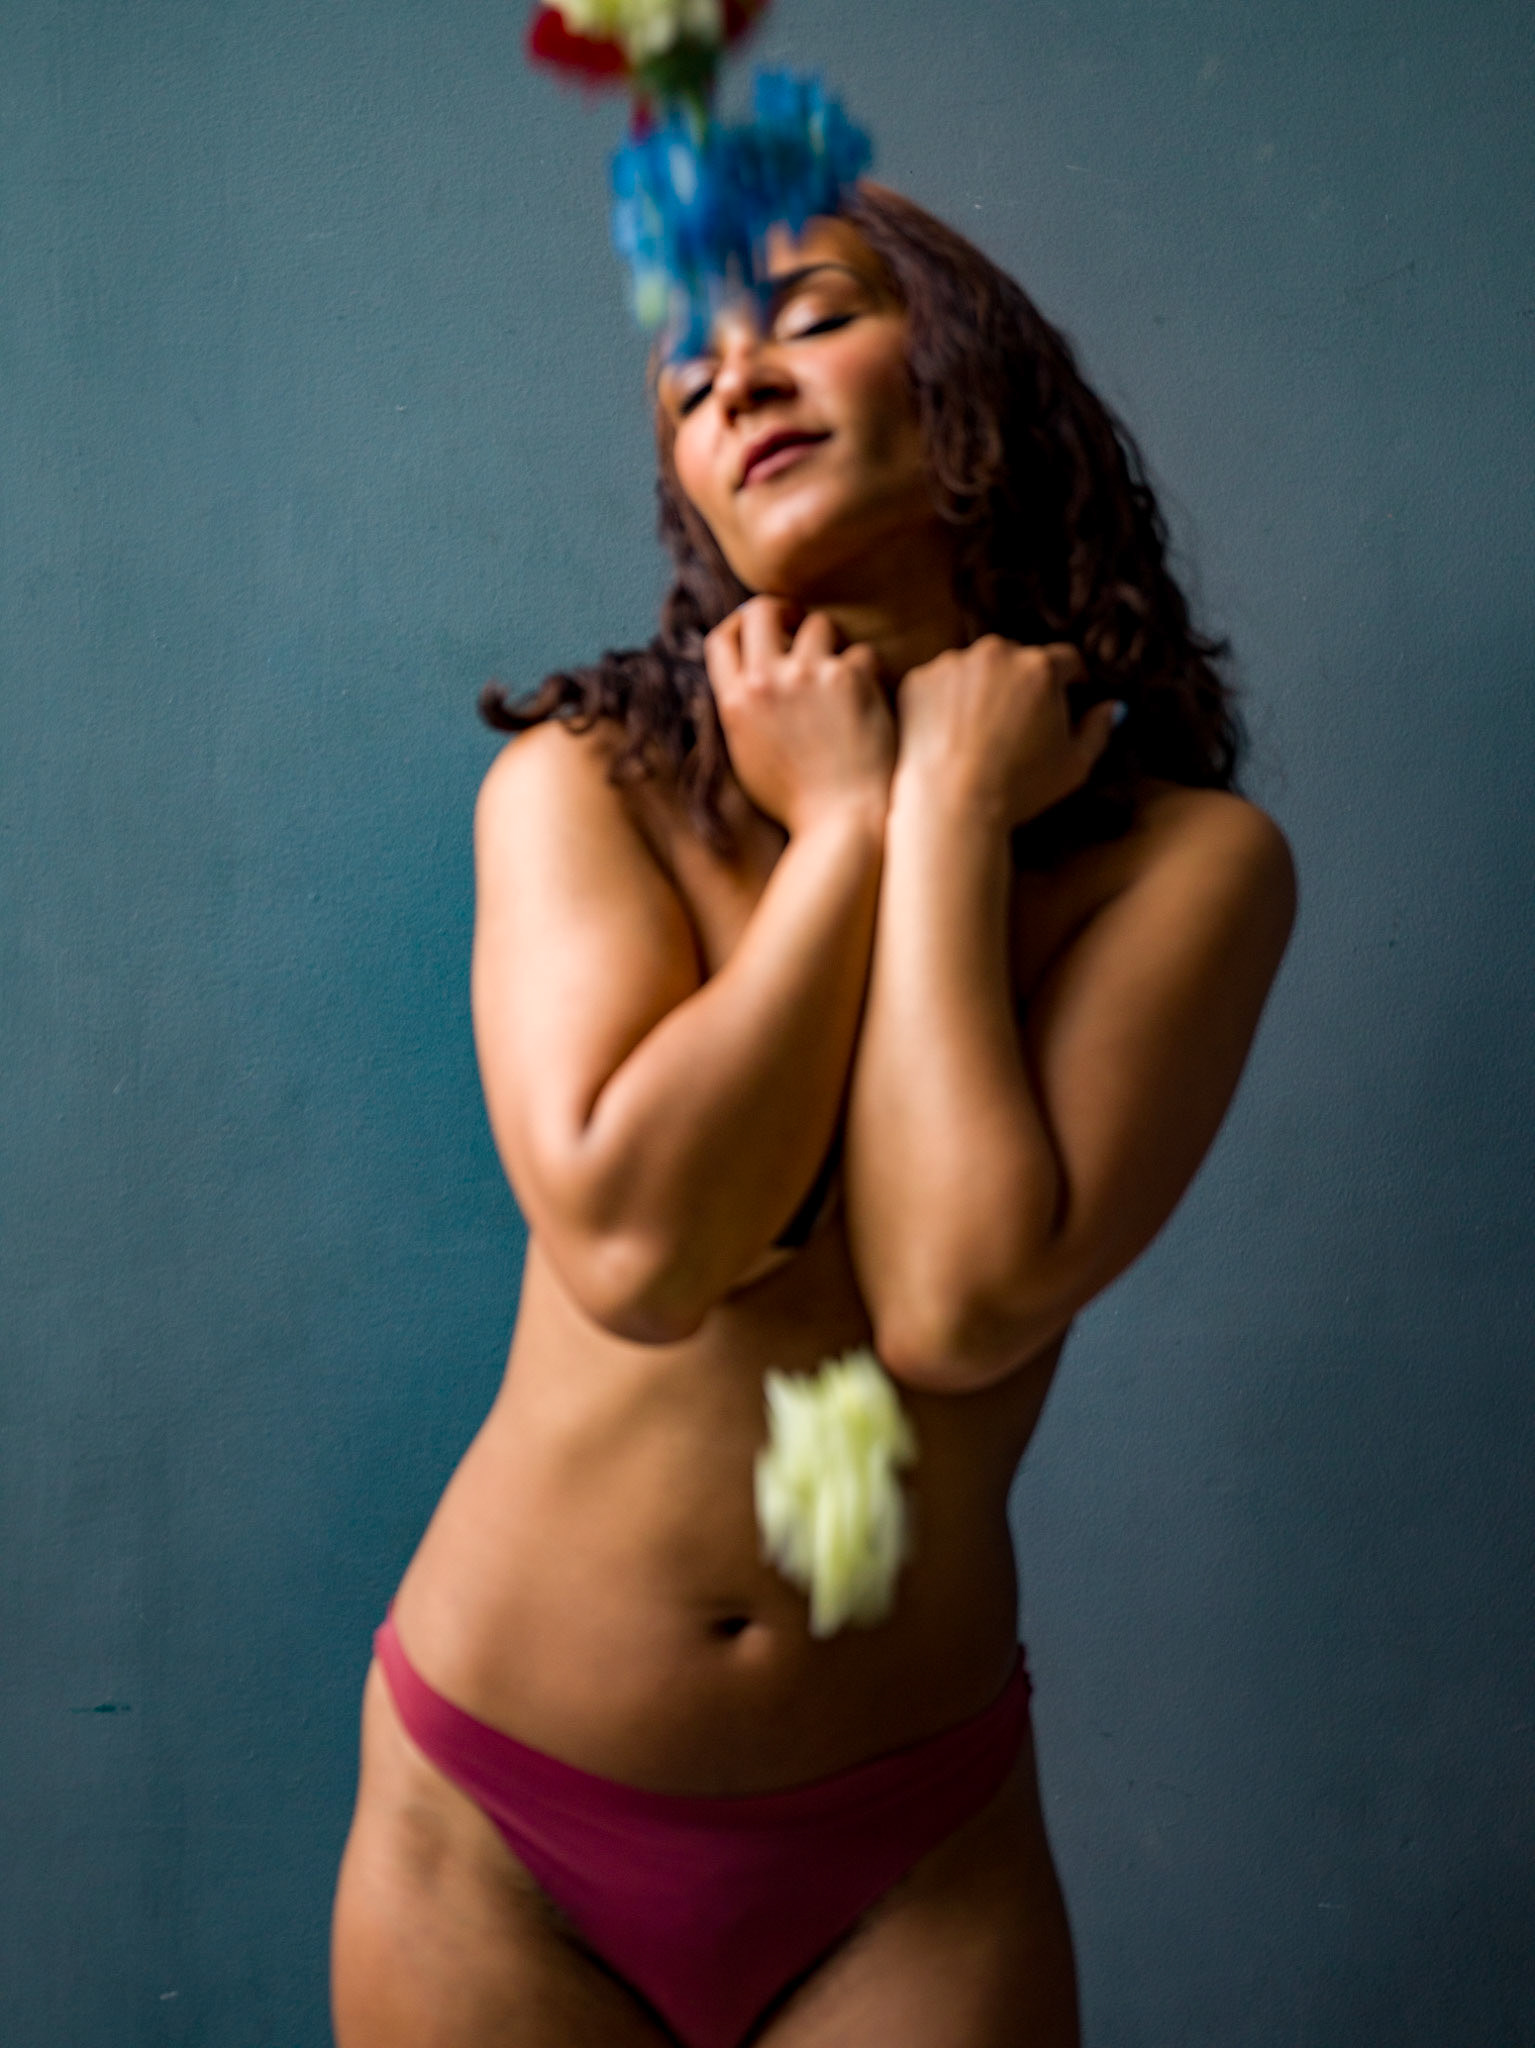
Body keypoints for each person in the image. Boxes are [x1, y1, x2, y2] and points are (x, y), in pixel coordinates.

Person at [330, 178, 1295, 2047]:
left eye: (811, 319)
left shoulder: (1184, 870)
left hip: (910, 1857)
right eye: (689, 382)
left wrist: (942, 817)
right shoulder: (588, 786)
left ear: (968, 376)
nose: (736, 382)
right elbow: (640, 1248)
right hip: (494, 1832)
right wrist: (850, 825)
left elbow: (956, 1299)